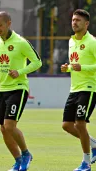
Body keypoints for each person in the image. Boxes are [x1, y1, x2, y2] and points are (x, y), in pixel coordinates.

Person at [0, 11, 42, 171]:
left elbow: (37, 62)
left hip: (18, 88)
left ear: (9, 23)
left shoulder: (21, 42)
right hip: (2, 89)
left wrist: (20, 72)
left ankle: (26, 153)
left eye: (0, 25)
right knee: (3, 129)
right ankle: (18, 160)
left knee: (9, 126)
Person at [61, 9, 96, 171]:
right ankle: (94, 145)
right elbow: (75, 65)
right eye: (73, 20)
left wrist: (83, 67)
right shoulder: (71, 41)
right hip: (74, 89)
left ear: (86, 24)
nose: (74, 22)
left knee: (80, 123)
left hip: (89, 88)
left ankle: (86, 163)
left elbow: (86, 66)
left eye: (78, 20)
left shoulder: (93, 42)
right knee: (67, 125)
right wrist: (67, 68)